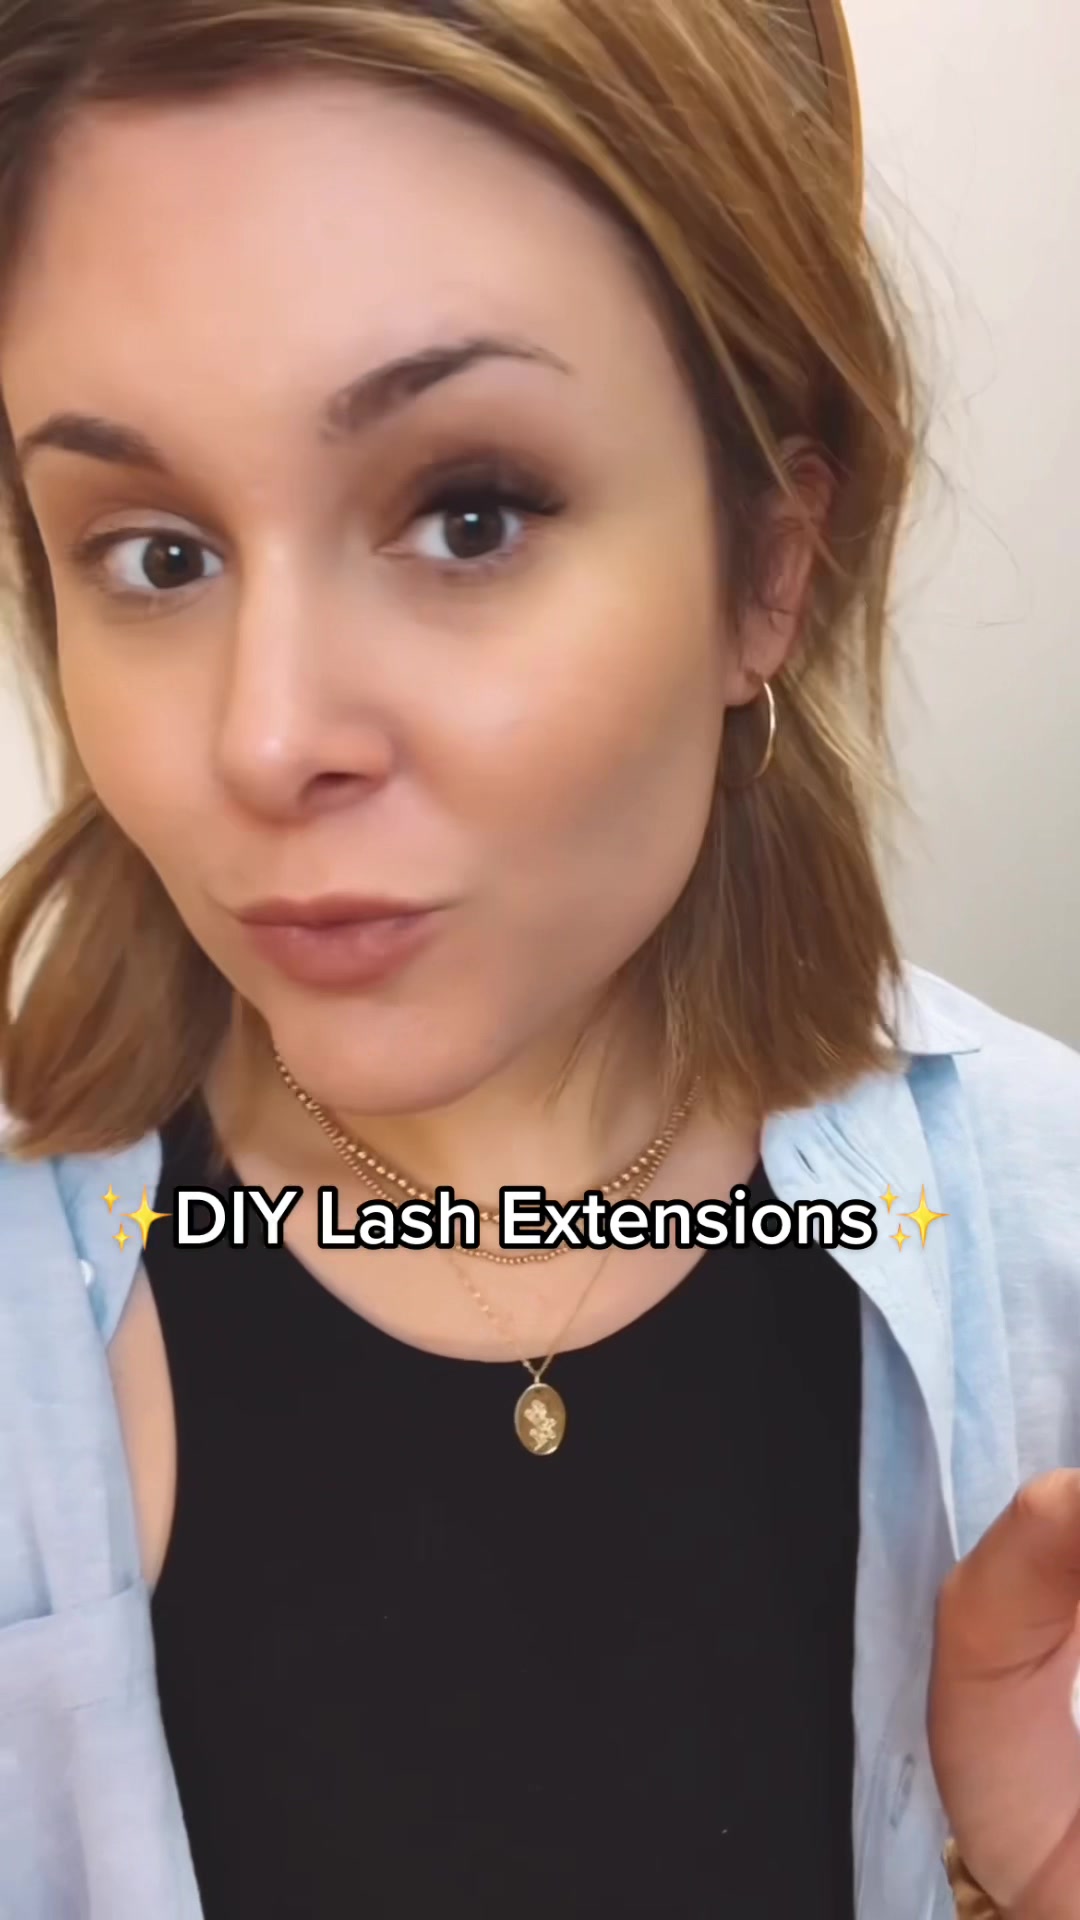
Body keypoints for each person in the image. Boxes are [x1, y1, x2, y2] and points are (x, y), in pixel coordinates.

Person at [0, 2, 1077, 1916]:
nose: (266, 740)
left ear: (771, 564)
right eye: (156, 553)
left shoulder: (1044, 1243)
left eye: (467, 514)